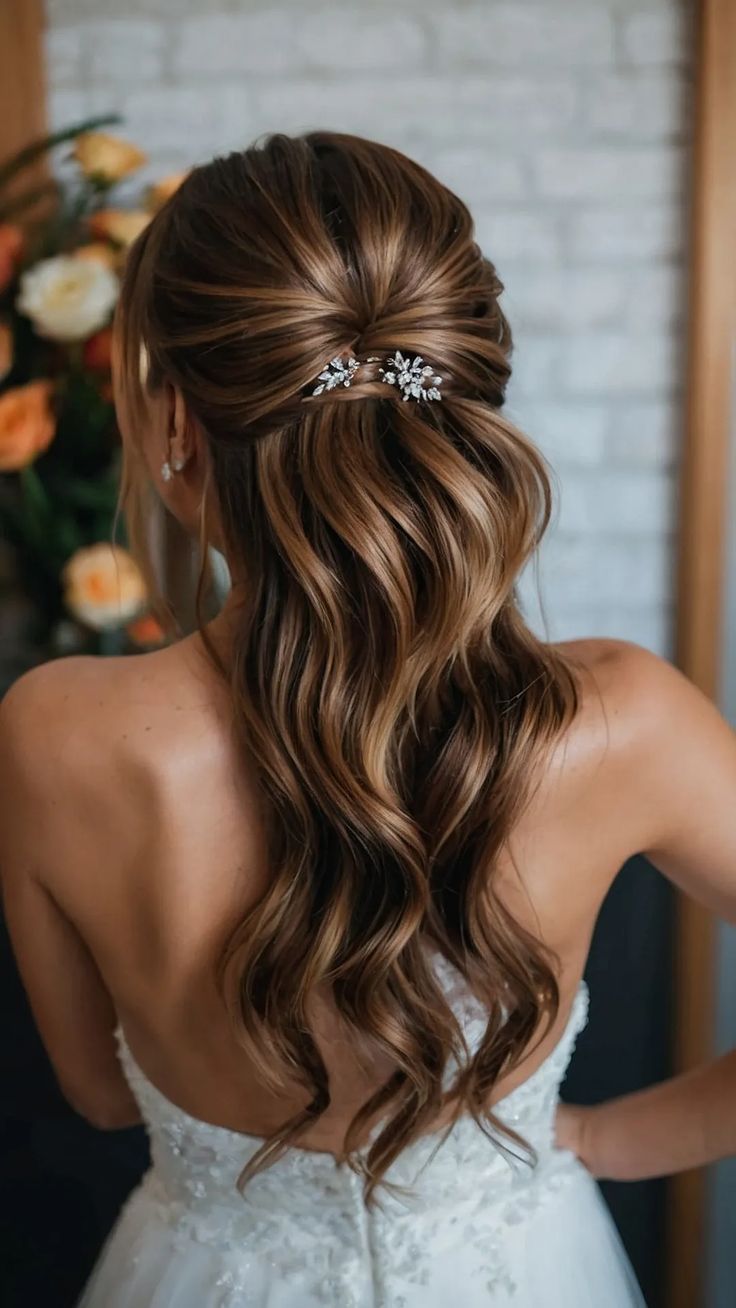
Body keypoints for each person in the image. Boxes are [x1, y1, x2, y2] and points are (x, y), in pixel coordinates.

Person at [1, 131, 734, 1308]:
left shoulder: (52, 733)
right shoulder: (621, 720)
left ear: (177, 421)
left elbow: (96, 1093)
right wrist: (607, 1143)